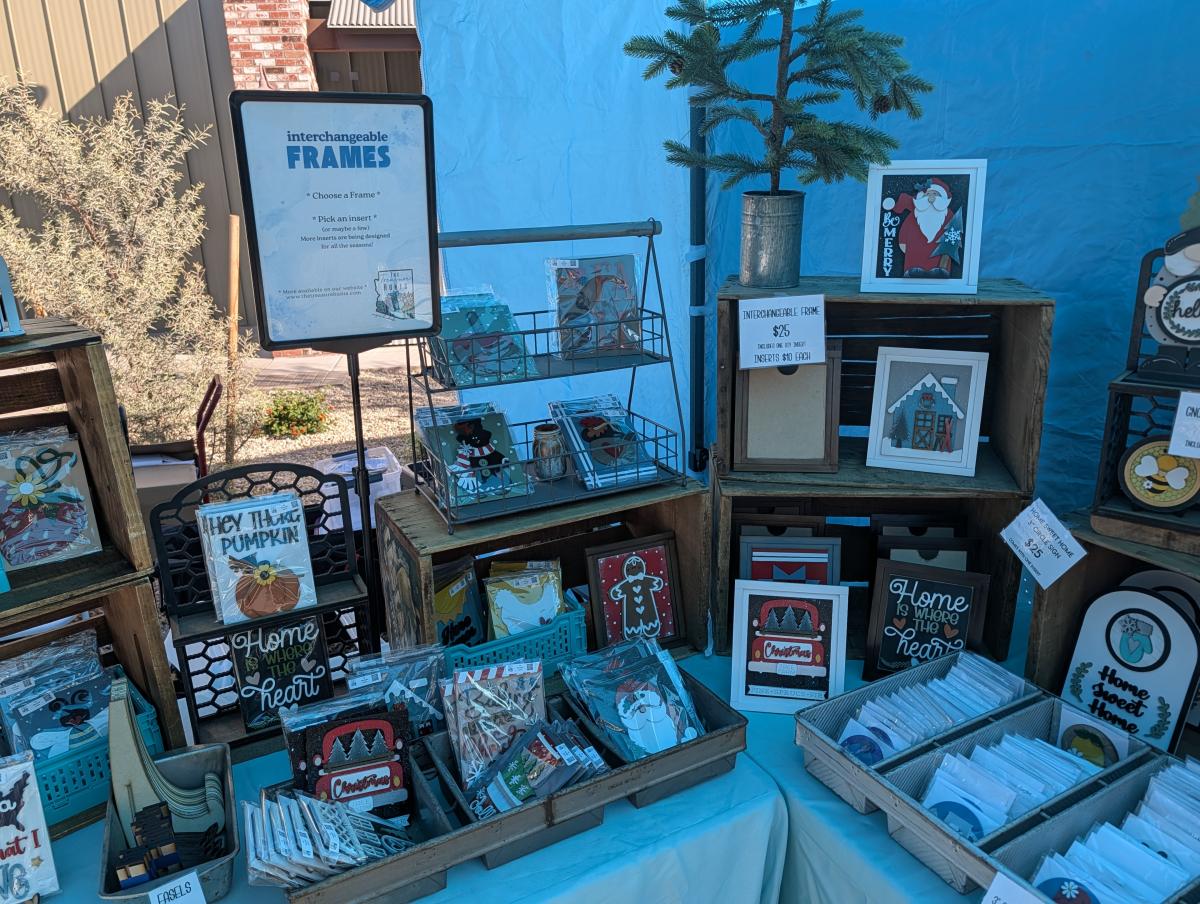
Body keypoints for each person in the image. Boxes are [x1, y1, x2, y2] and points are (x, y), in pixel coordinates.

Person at [883, 177, 964, 277]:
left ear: (942, 197)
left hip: (939, 255)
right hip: (914, 252)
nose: (931, 197)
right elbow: (906, 228)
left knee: (939, 267)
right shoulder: (915, 214)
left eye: (935, 194)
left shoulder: (948, 214)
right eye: (928, 194)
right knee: (914, 263)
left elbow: (953, 233)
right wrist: (903, 242)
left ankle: (941, 270)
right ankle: (912, 269)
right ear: (922, 197)